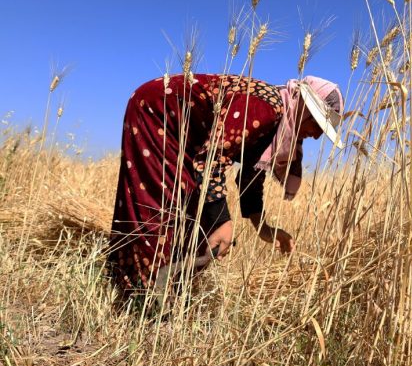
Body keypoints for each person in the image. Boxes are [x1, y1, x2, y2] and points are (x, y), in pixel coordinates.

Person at [108, 73, 344, 298]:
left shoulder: (277, 123)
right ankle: (143, 299)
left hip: (184, 136)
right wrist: (222, 221)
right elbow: (212, 157)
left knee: (195, 219)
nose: (315, 136)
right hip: (158, 112)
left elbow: (251, 176)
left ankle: (170, 291)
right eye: (318, 125)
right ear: (302, 107)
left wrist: (263, 228)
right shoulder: (265, 108)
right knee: (162, 208)